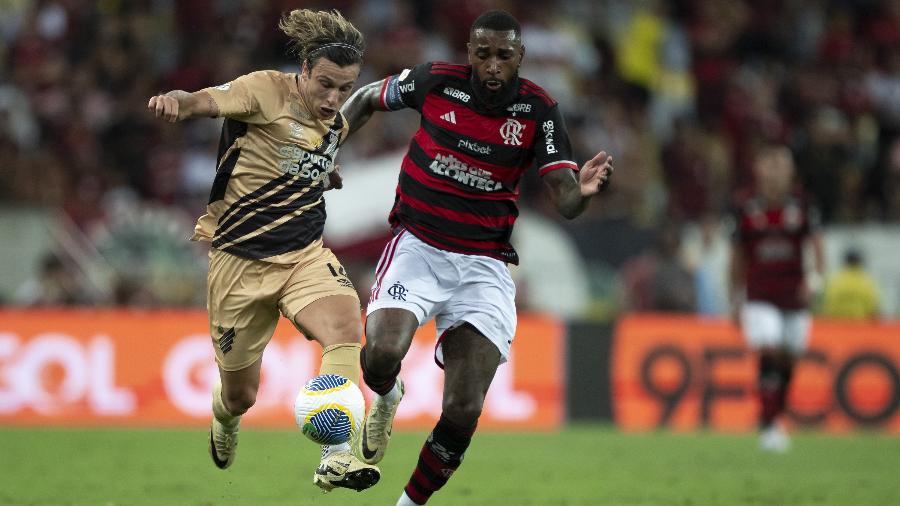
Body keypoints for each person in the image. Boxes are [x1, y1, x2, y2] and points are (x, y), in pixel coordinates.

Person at [340, 10, 613, 505]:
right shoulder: (434, 82)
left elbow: (567, 200)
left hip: (483, 266)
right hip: (419, 247)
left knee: (464, 406)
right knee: (380, 356)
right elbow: (363, 99)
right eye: (482, 54)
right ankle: (386, 395)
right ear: (469, 53)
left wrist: (586, 191)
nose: (492, 66)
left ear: (519, 58)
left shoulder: (538, 111)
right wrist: (325, 152)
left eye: (503, 56)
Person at [146, 9, 379, 492]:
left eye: (346, 87)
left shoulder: (333, 123)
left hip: (304, 257)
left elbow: (309, 157)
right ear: (305, 73)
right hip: (239, 264)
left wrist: (320, 173)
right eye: (326, 85)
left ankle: (336, 457)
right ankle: (224, 417)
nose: (334, 99)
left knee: (345, 328)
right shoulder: (264, 89)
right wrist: (175, 102)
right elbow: (206, 101)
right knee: (241, 395)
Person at [728, 144, 825, 453]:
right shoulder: (746, 207)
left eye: (781, 166)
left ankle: (770, 415)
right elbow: (736, 258)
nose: (775, 172)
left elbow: (818, 247)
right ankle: (770, 427)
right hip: (759, 295)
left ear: (791, 171)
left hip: (794, 296)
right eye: (769, 165)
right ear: (758, 170)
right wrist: (734, 298)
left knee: (789, 359)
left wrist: (815, 281)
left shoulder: (804, 205)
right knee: (769, 348)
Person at [822, 249, 881, 320]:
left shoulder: (835, 282)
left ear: (845, 263)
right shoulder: (867, 283)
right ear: (860, 263)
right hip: (861, 328)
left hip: (838, 327)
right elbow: (874, 311)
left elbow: (828, 308)